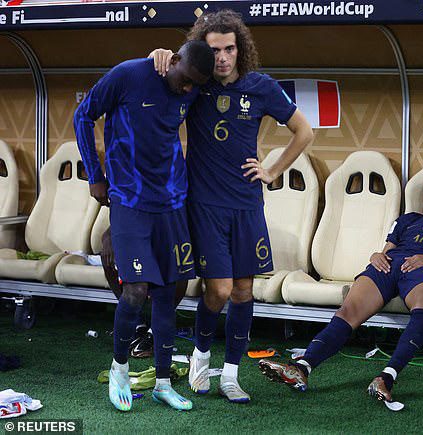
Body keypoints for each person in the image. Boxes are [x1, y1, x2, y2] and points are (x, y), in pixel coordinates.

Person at [151, 9, 314, 403]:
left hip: (246, 204)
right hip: (204, 203)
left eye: (229, 48)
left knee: (243, 291)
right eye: (214, 50)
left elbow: (303, 131)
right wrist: (160, 54)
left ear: (240, 49)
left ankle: (231, 375)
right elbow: (159, 77)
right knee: (219, 290)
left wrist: (272, 170)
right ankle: (201, 358)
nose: (222, 57)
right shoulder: (194, 85)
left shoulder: (260, 87)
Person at [74, 41, 215, 412]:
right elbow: (83, 116)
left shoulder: (193, 86)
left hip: (171, 204)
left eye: (194, 86)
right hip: (129, 201)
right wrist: (95, 175)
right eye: (185, 81)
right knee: (136, 290)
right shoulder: (129, 74)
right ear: (175, 61)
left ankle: (164, 383)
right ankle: (120, 369)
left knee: (168, 294)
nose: (188, 90)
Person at [259, 173, 423, 405]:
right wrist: (377, 255)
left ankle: (386, 377)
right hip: (388, 266)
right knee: (348, 311)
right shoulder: (407, 219)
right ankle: (301, 368)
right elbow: (387, 250)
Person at [100, 227, 189, 358]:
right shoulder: (128, 208)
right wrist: (107, 239)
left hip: (169, 237)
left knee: (178, 263)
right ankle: (137, 322)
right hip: (139, 240)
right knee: (107, 257)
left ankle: (155, 332)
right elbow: (112, 226)